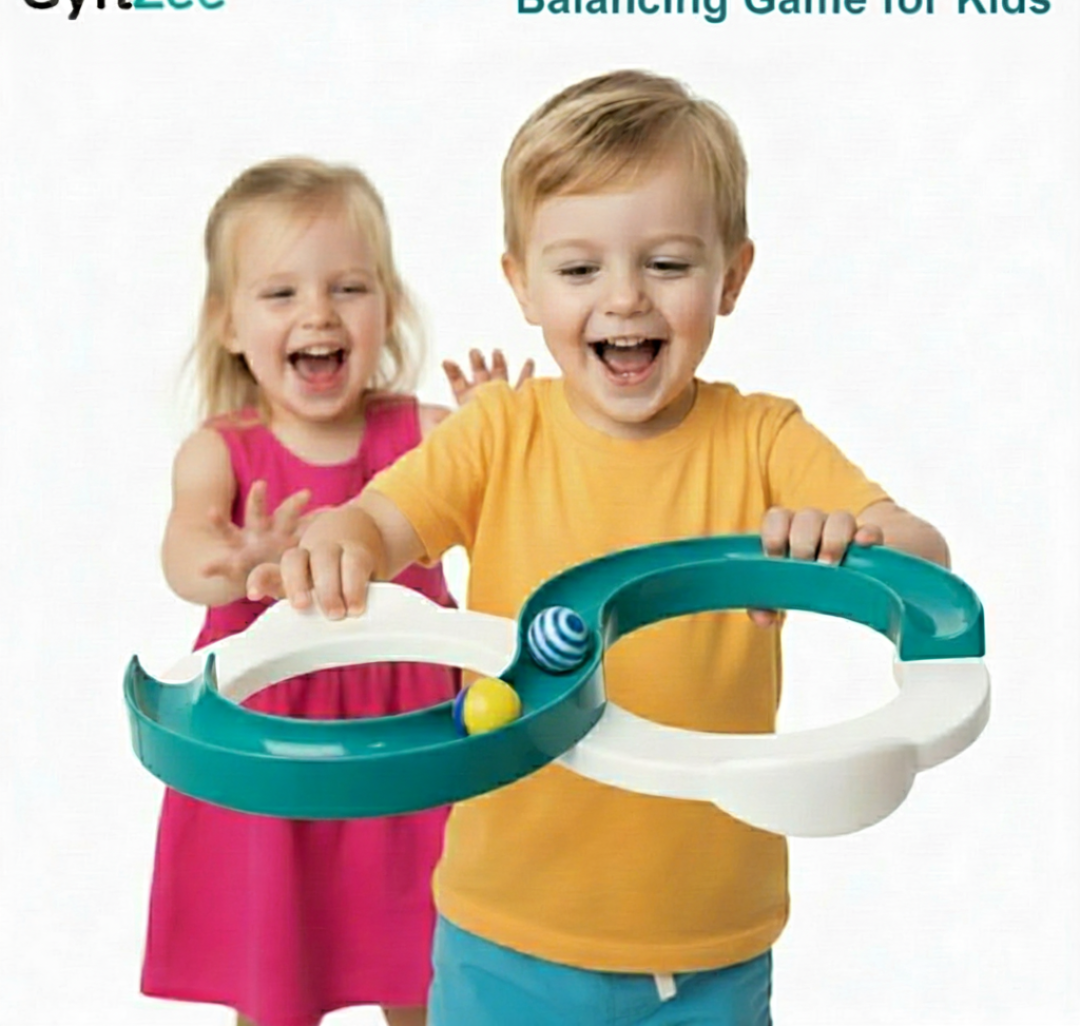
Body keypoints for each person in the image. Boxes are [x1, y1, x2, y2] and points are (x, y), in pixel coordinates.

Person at [250, 73, 952, 1026]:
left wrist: (852, 541)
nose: (625, 299)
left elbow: (924, 555)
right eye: (580, 271)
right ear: (522, 286)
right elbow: (380, 523)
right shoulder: (498, 431)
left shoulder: (765, 440)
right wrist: (339, 537)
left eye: (666, 264)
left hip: (714, 940)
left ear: (731, 276)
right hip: (507, 930)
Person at [140, 157, 519, 1026]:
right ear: (228, 324)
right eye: (280, 295)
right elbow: (183, 555)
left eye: (348, 287)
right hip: (271, 747)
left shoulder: (423, 434)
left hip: (412, 739)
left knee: (427, 966)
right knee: (276, 976)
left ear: (386, 309)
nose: (318, 313)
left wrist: (500, 432)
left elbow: (504, 507)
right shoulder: (221, 450)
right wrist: (238, 558)